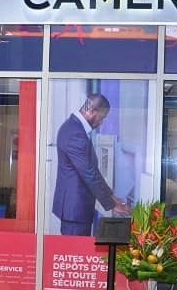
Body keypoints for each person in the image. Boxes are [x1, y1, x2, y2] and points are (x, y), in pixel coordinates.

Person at [51, 93, 130, 236]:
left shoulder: (74, 127)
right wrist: (112, 204)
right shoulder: (75, 132)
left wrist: (111, 197)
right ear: (92, 111)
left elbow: (91, 170)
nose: (101, 122)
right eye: (102, 117)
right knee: (75, 249)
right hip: (75, 210)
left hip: (76, 209)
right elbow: (89, 173)